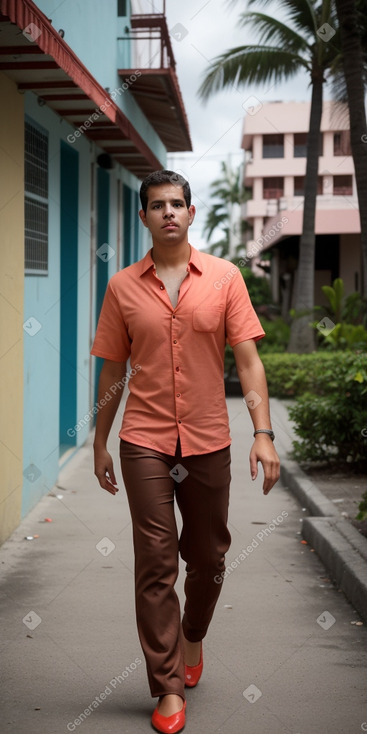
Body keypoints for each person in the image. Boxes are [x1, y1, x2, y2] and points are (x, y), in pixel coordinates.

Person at [91, 170, 280, 733]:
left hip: (206, 440)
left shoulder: (225, 279)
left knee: (209, 559)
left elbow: (248, 362)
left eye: (177, 203)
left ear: (191, 214)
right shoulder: (123, 287)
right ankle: (168, 687)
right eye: (157, 205)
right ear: (144, 217)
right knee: (155, 564)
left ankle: (192, 635)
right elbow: (112, 369)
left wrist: (263, 433)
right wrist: (99, 441)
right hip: (144, 441)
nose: (168, 212)